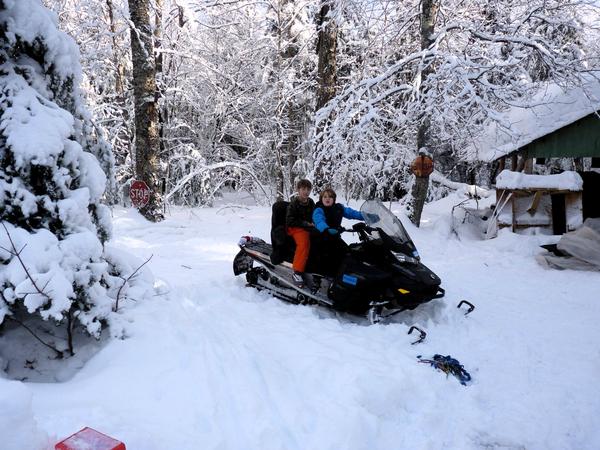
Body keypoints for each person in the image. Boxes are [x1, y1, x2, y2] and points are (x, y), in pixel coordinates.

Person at [312, 188, 365, 273]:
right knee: (327, 255)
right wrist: (326, 229)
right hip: (321, 237)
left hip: (334, 237)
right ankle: (318, 278)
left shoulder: (338, 208)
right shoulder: (319, 209)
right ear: (321, 199)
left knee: (348, 253)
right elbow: (319, 220)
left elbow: (352, 213)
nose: (327, 199)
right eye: (325, 197)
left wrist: (366, 216)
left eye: (330, 197)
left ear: (334, 199)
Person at [286, 179, 316, 287]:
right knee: (304, 243)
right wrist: (305, 223)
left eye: (308, 189)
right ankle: (297, 272)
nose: (306, 192)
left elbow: (315, 215)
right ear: (298, 190)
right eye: (303, 189)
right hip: (295, 228)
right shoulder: (294, 204)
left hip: (307, 227)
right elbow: (290, 220)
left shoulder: (311, 202)